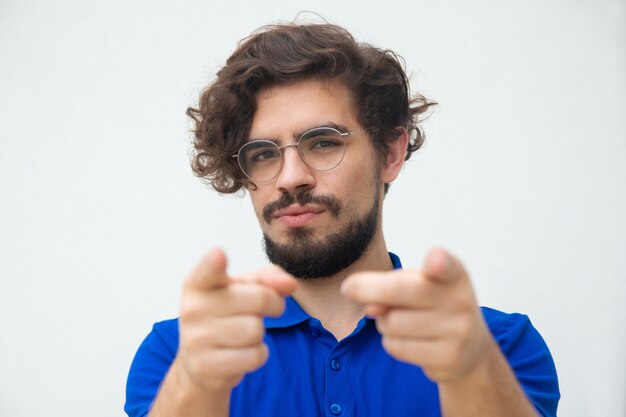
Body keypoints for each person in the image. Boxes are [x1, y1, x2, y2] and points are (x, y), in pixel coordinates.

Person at [125, 21, 560, 417]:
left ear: (390, 154)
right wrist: (196, 387)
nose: (291, 179)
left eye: (323, 143)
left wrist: (472, 377)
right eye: (263, 154)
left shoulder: (500, 346)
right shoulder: (177, 355)